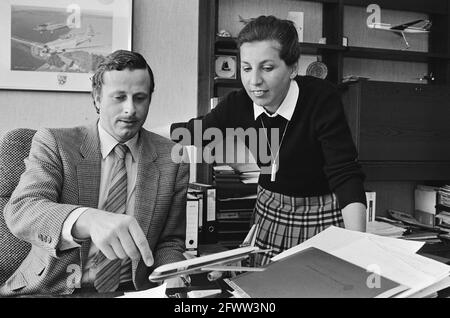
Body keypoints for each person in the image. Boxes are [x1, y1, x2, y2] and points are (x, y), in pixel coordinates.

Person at [0, 50, 189, 296]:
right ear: (97, 99)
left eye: (140, 98)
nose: (130, 109)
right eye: (119, 97)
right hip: (53, 289)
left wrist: (173, 271)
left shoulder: (172, 157)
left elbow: (169, 241)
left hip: (133, 291)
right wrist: (87, 219)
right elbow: (22, 209)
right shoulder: (55, 143)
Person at [182, 16, 366, 266]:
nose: (254, 81)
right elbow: (194, 132)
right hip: (269, 213)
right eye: (246, 68)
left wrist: (360, 246)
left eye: (267, 68)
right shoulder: (239, 103)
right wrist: (135, 129)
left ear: (292, 68)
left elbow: (344, 172)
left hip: (323, 213)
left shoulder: (321, 98)